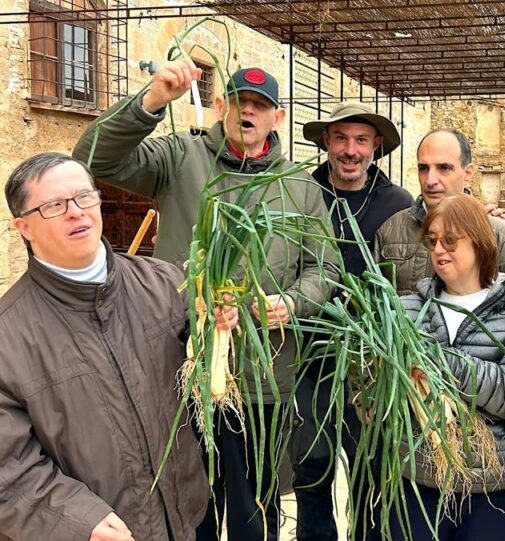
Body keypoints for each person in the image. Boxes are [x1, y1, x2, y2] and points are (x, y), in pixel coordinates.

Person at [73, 60, 337, 541]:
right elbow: (93, 158)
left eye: (262, 106)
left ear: (278, 118)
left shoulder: (300, 187)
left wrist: (293, 303)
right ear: (220, 106)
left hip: (261, 377)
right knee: (187, 501)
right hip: (180, 366)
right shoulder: (181, 158)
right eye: (239, 102)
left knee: (253, 507)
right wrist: (152, 101)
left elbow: (326, 268)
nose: (249, 113)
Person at [0, 153, 237, 541]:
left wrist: (221, 332)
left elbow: (205, 386)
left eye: (84, 197)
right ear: (23, 226)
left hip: (190, 520)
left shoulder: (165, 284)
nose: (76, 212)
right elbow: (8, 469)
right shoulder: (8, 336)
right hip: (102, 533)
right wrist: (77, 521)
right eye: (54, 206)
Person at [291, 102, 413, 541]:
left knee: (371, 463)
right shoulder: (299, 193)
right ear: (326, 142)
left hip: (371, 359)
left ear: (376, 146)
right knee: (311, 462)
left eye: (361, 140)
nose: (350, 150)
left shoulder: (398, 203)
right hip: (307, 352)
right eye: (340, 138)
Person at [391, 193, 505, 540]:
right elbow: (377, 390)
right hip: (421, 478)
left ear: (480, 242)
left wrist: (438, 360)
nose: (439, 249)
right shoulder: (403, 308)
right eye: (433, 240)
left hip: (493, 485)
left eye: (451, 240)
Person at [374, 128, 505, 295]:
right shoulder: (391, 230)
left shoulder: (501, 237)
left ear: (468, 172)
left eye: (444, 168)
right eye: (424, 168)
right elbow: (374, 304)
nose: (430, 180)